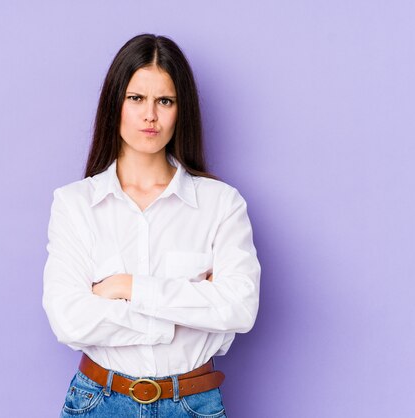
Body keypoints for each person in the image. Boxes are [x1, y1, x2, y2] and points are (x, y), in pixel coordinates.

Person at [42, 33, 261, 418]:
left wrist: (125, 287)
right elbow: (69, 321)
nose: (150, 115)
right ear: (116, 105)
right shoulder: (75, 204)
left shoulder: (220, 204)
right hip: (98, 402)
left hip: (192, 404)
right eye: (136, 98)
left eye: (165, 101)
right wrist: (185, 312)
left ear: (181, 110)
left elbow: (239, 308)